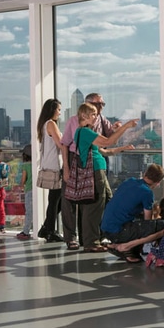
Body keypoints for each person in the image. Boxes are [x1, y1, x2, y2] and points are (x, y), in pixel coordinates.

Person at [64, 102, 138, 252]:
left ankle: (97, 238)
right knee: (94, 207)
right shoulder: (85, 132)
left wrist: (122, 149)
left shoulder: (83, 132)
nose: (95, 117)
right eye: (92, 114)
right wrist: (125, 126)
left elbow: (104, 150)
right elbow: (109, 141)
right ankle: (91, 242)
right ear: (84, 115)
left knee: (103, 203)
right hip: (95, 172)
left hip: (97, 171)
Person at [102, 163, 164, 263]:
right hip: (118, 232)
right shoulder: (147, 193)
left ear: (145, 173)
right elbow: (148, 222)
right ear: (158, 182)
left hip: (106, 229)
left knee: (138, 222)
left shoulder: (130, 181)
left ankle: (126, 250)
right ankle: (125, 246)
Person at [36, 98, 64, 242]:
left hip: (49, 165)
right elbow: (61, 143)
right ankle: (50, 231)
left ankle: (47, 228)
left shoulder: (43, 124)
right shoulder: (51, 124)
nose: (60, 112)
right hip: (55, 167)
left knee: (54, 200)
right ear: (52, 110)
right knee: (55, 201)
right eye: (58, 109)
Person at [16, 145, 33, 240]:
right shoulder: (35, 165)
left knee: (29, 211)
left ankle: (26, 232)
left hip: (29, 190)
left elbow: (23, 179)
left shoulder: (25, 165)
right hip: (36, 189)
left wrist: (21, 185)